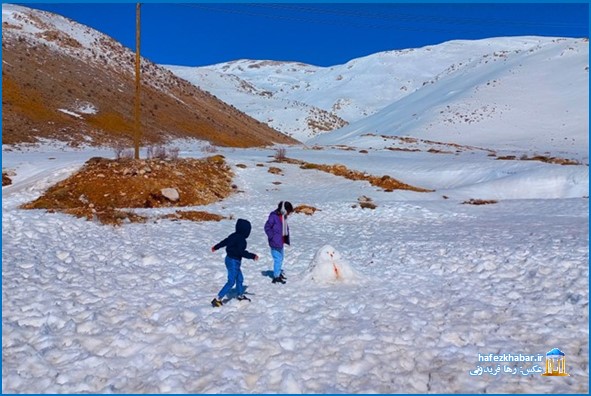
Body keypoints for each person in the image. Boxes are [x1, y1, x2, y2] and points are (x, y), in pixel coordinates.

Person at [211, 218, 258, 307]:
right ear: (246, 231)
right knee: (231, 281)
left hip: (229, 259)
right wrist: (252, 256)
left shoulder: (233, 235)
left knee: (239, 278)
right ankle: (217, 299)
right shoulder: (242, 240)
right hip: (233, 261)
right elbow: (241, 252)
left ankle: (240, 295)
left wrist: (216, 247)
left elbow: (225, 241)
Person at [264, 201, 294, 284]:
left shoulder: (282, 216)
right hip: (275, 242)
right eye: (288, 211)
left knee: (281, 258)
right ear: (284, 210)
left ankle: (278, 273)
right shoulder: (273, 217)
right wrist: (272, 236)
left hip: (280, 241)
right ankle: (276, 276)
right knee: (278, 259)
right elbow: (267, 227)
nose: (288, 214)